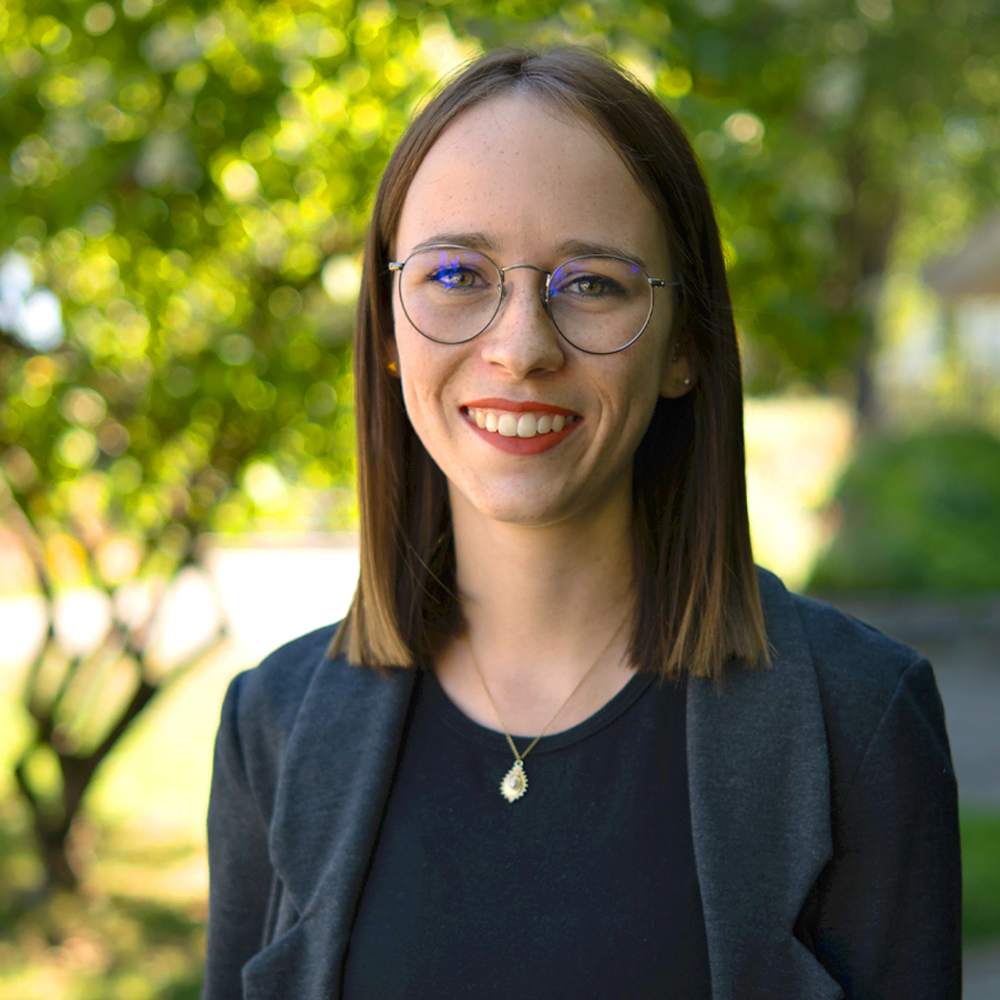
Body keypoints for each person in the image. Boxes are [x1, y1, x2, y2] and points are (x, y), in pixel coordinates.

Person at [202, 48, 961, 1000]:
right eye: (454, 274)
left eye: (593, 283)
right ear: (388, 332)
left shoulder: (857, 721)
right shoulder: (271, 726)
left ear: (686, 345)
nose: (520, 348)